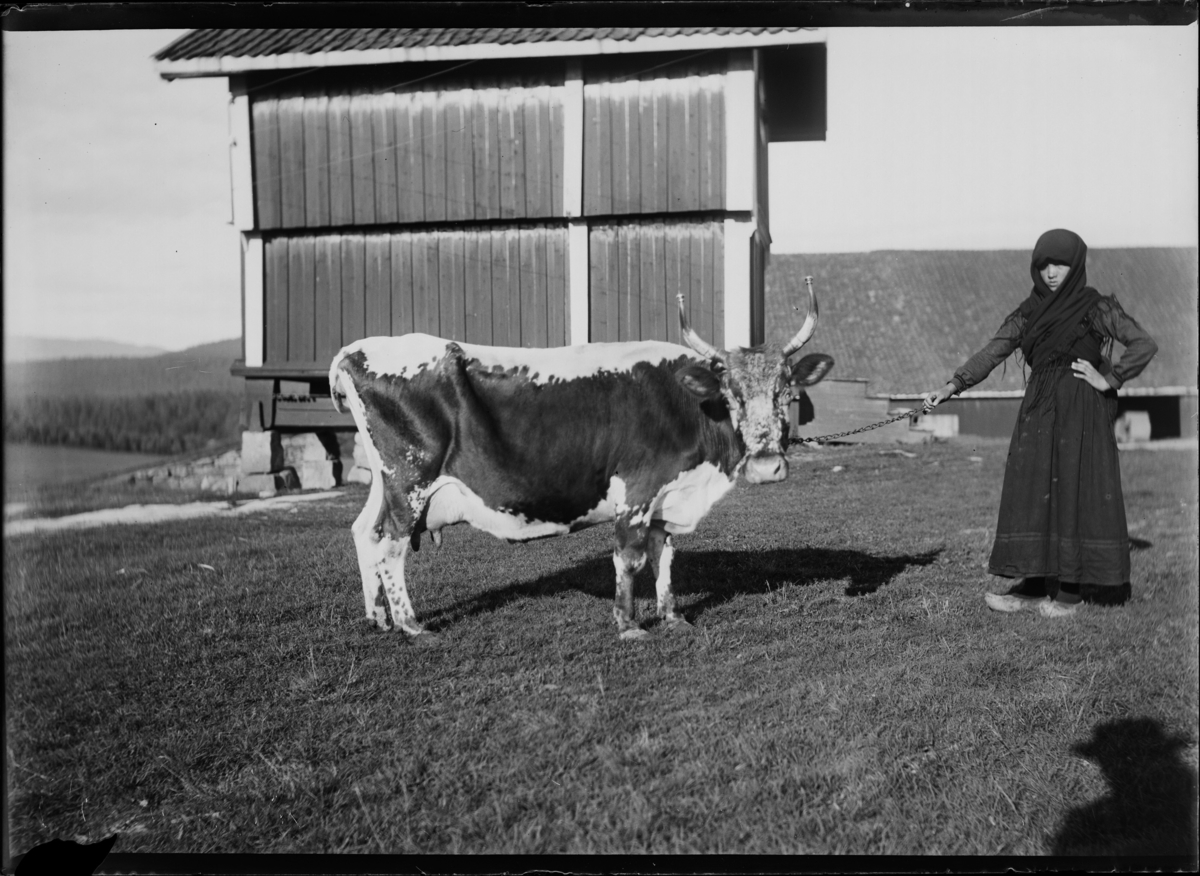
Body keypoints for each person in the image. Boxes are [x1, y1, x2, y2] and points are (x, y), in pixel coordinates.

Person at [922, 229, 1158, 617]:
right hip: (1039, 407)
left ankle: (1069, 592)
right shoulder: (1029, 310)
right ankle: (1030, 587)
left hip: (1081, 406)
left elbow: (1143, 342)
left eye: (1059, 264)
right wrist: (952, 386)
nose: (1050, 273)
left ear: (1076, 265)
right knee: (1030, 488)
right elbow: (995, 349)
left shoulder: (1095, 307)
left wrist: (1110, 378)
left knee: (1072, 489)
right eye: (1043, 265)